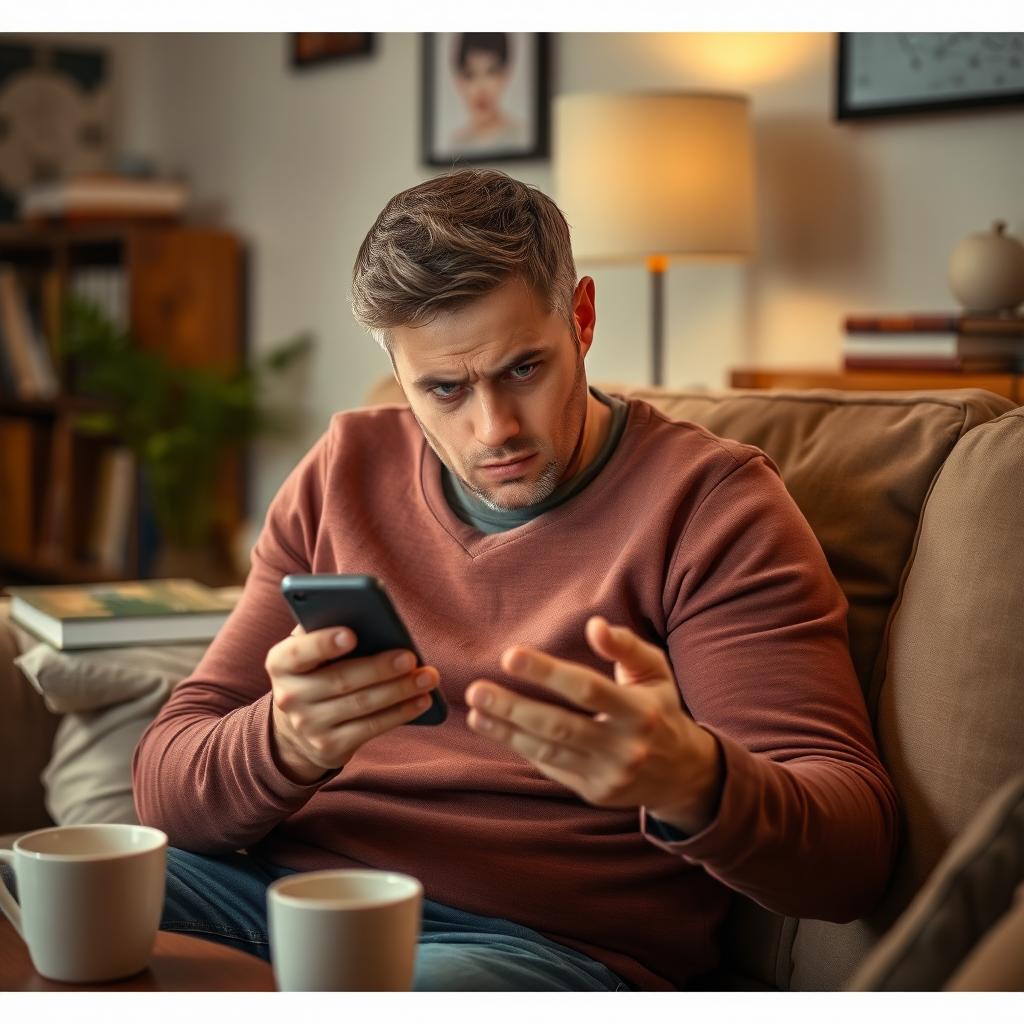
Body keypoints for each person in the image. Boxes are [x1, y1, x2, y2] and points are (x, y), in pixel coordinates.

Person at [130, 168, 900, 992]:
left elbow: (851, 860)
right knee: (34, 890)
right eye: (446, 389)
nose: (494, 429)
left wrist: (695, 779)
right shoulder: (343, 471)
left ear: (584, 318)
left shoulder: (711, 506)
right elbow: (164, 788)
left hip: (534, 946)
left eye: (524, 369)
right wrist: (285, 741)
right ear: (397, 368)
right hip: (286, 901)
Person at [447, 33, 528, 152]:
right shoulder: (455, 144)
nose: (481, 89)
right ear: (458, 80)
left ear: (506, 74)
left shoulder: (521, 135)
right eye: (470, 75)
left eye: (491, 72)